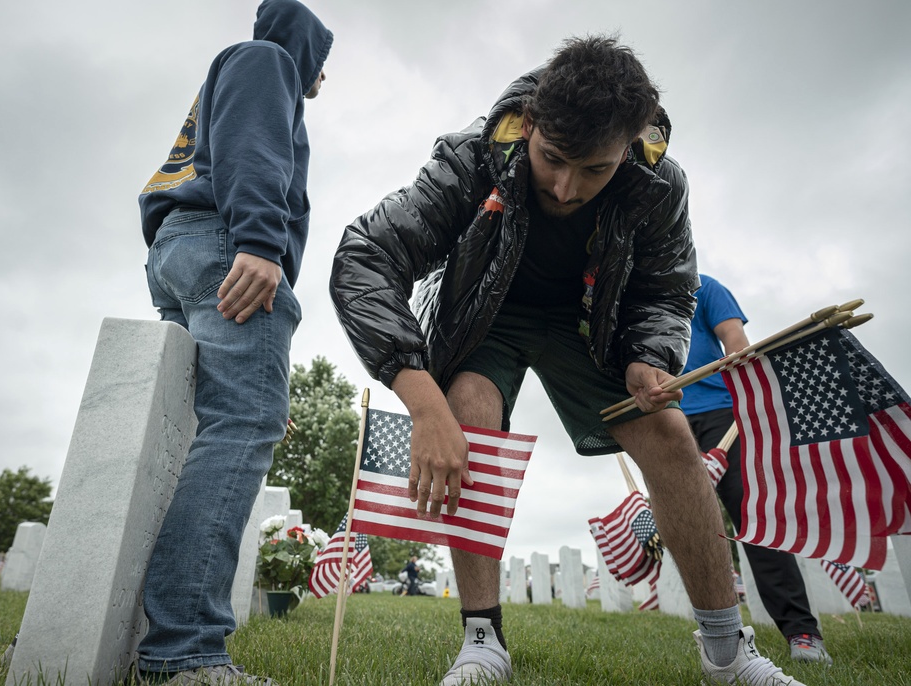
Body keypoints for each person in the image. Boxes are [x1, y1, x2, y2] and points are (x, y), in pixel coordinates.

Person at [331, 36, 804, 685]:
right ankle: (481, 640)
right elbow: (365, 257)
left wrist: (647, 358)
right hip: (489, 310)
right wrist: (423, 402)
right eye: (552, 159)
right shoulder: (471, 157)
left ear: (631, 146)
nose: (565, 186)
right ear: (529, 124)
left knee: (667, 434)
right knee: (467, 408)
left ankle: (726, 649)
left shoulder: (660, 184)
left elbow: (667, 286)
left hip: (591, 320)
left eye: (594, 170)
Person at [136, 1, 331, 684]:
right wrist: (258, 240)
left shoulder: (227, 69)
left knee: (198, 431)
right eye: (323, 63)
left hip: (179, 245)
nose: (322, 81)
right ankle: (183, 648)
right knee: (243, 422)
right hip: (228, 241)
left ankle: (135, 630)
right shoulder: (267, 61)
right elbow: (255, 147)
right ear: (304, 47)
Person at [682, 274, 833, 665]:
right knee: (689, 525)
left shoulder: (703, 286)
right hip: (664, 420)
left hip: (720, 415)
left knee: (754, 520)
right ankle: (719, 637)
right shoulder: (629, 292)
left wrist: (745, 391)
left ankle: (802, 632)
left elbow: (734, 338)